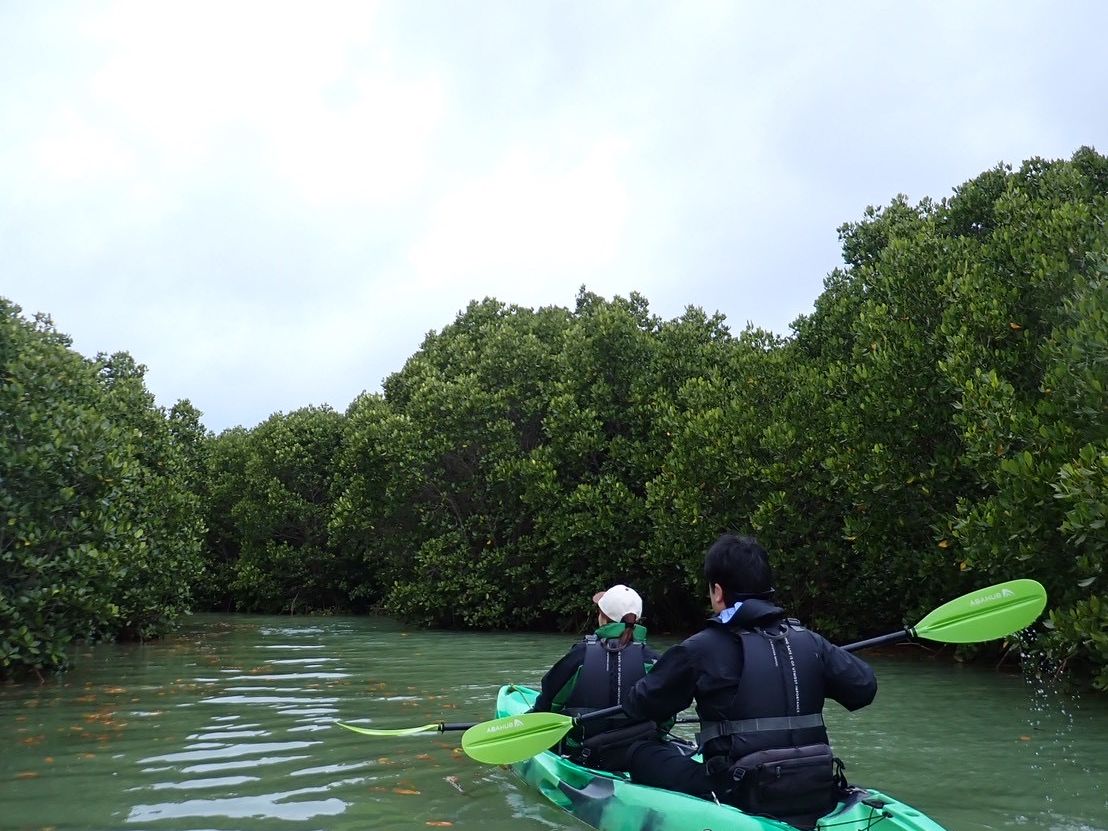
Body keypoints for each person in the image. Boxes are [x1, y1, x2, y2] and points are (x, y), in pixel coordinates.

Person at [621, 534, 877, 830]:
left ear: (718, 592)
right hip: (814, 784)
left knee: (641, 753)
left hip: (740, 792)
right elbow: (864, 688)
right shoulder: (809, 641)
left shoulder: (700, 648)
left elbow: (639, 705)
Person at [531, 584, 662, 770]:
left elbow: (548, 702)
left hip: (581, 755)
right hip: (638, 756)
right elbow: (667, 717)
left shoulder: (579, 656)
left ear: (602, 617)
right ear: (638, 620)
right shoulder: (654, 661)